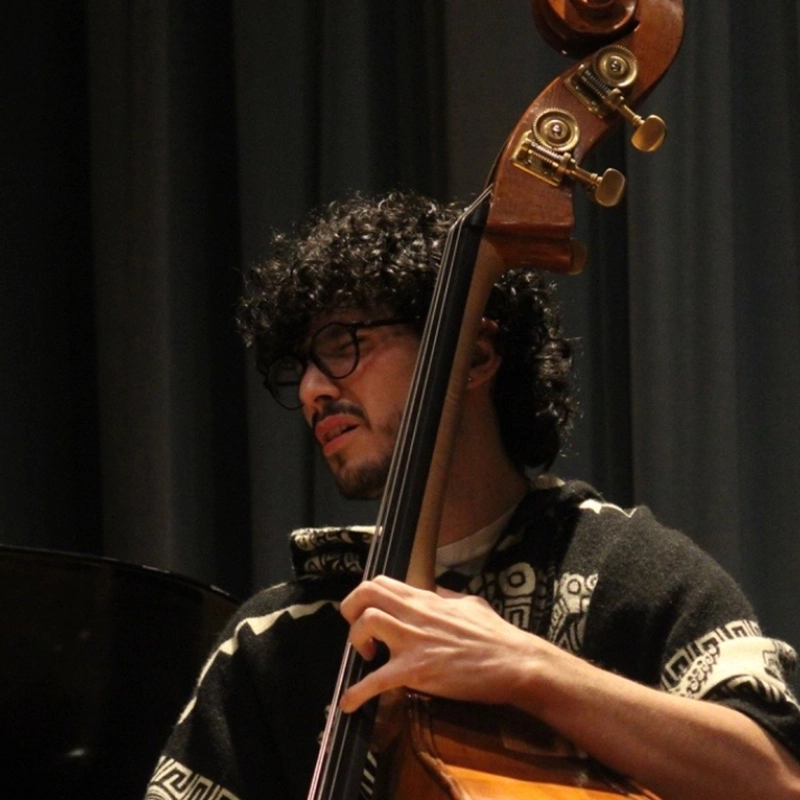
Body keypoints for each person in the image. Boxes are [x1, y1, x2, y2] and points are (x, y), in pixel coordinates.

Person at [145, 191, 800, 800]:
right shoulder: (279, 640)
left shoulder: (623, 571)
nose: (315, 388)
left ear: (478, 356)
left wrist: (528, 668)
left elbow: (776, 777)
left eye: (344, 346)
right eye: (304, 366)